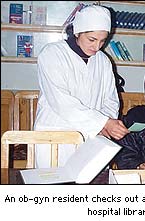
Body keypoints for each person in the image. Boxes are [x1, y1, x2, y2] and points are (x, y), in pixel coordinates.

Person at [34, 5, 129, 168]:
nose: (97, 46)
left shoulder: (103, 61)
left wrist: (104, 127)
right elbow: (61, 102)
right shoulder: (52, 54)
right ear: (77, 32)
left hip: (92, 140)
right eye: (92, 39)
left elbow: (111, 100)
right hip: (56, 136)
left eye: (102, 41)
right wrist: (103, 123)